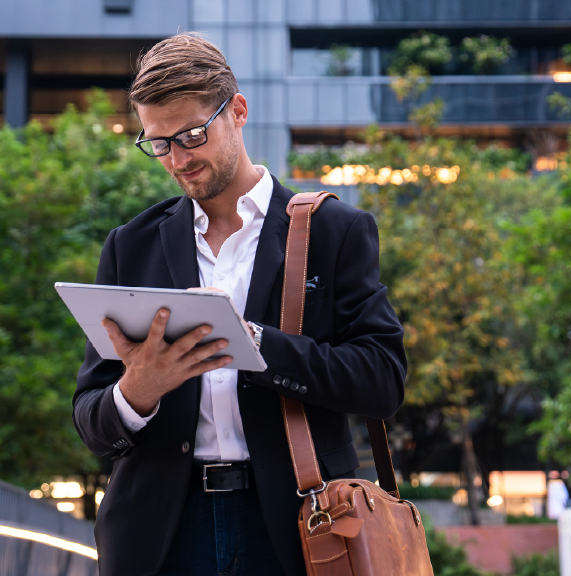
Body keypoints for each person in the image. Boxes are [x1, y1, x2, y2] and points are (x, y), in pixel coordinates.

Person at [71, 32, 406, 576]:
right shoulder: (130, 245)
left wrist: (252, 342)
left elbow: (383, 382)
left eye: (192, 135)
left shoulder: (332, 231)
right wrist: (137, 392)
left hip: (296, 529)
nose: (177, 159)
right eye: (159, 143)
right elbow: (91, 423)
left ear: (238, 111)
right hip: (159, 535)